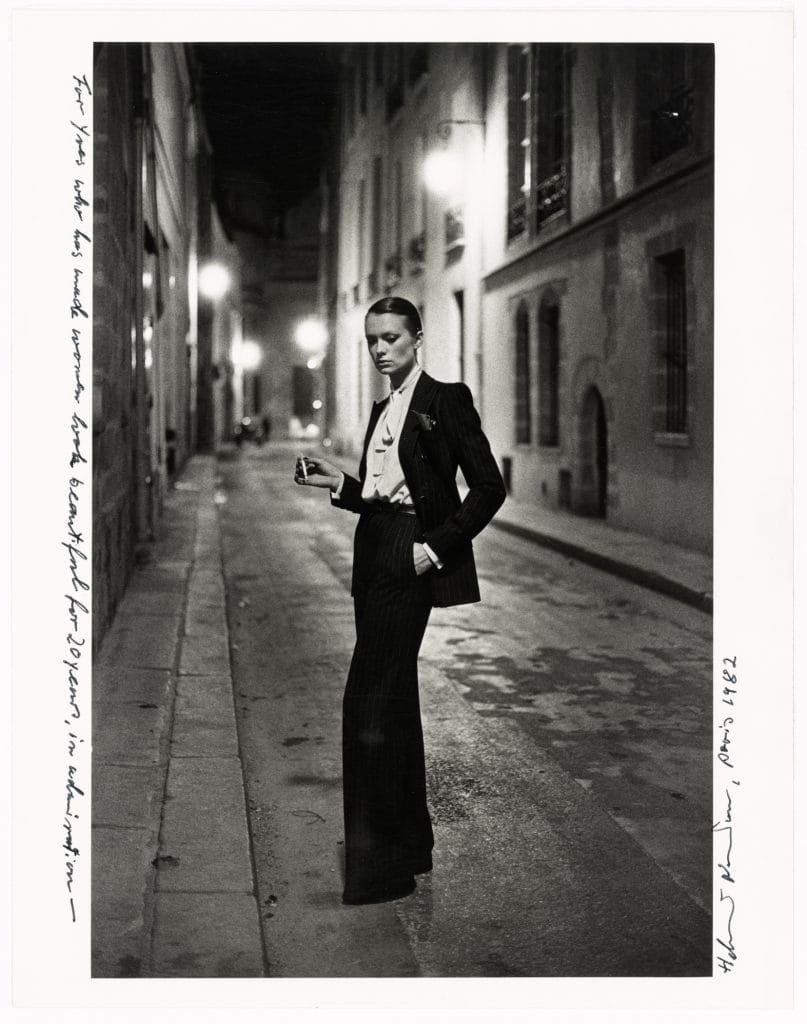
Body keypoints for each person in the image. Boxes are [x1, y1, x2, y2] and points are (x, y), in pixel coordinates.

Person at [294, 296, 506, 905]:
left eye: (390, 337)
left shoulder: (445, 400)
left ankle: (380, 869)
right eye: (372, 340)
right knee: (393, 703)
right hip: (374, 553)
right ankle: (409, 845)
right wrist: (340, 483)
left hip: (410, 556)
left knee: (366, 703)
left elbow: (488, 487)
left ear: (417, 338)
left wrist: (435, 548)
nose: (380, 349)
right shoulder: (383, 407)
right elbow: (380, 493)